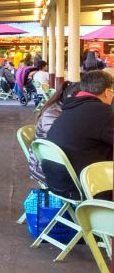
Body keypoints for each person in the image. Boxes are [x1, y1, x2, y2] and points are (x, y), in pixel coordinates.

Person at [43, 71, 114, 200]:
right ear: (107, 92)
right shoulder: (102, 112)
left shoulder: (72, 107)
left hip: (56, 181)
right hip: (82, 186)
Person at [27, 81, 79, 183]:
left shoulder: (63, 109)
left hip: (56, 160)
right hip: (44, 166)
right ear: (70, 97)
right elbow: (61, 139)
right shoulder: (52, 113)